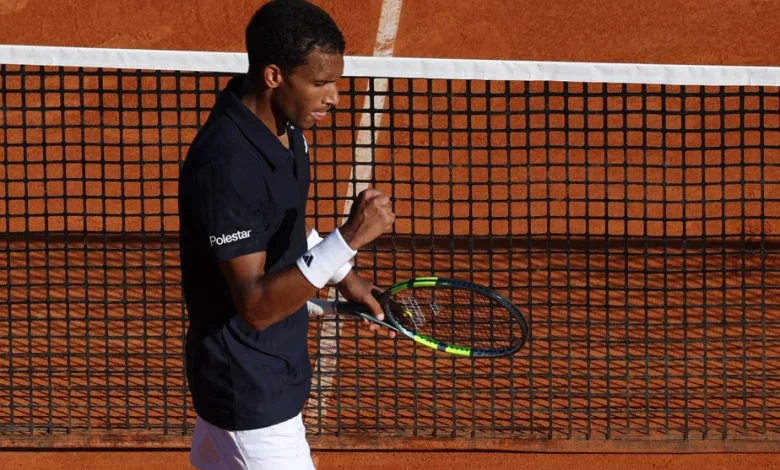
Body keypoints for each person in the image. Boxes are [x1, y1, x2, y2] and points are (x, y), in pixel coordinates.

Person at [176, 1, 395, 468]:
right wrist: (348, 238)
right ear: (274, 76)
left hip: (266, 370)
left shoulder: (286, 132)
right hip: (248, 390)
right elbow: (254, 306)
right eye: (319, 83)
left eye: (335, 80)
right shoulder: (228, 166)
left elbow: (283, 226)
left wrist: (346, 276)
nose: (334, 96)